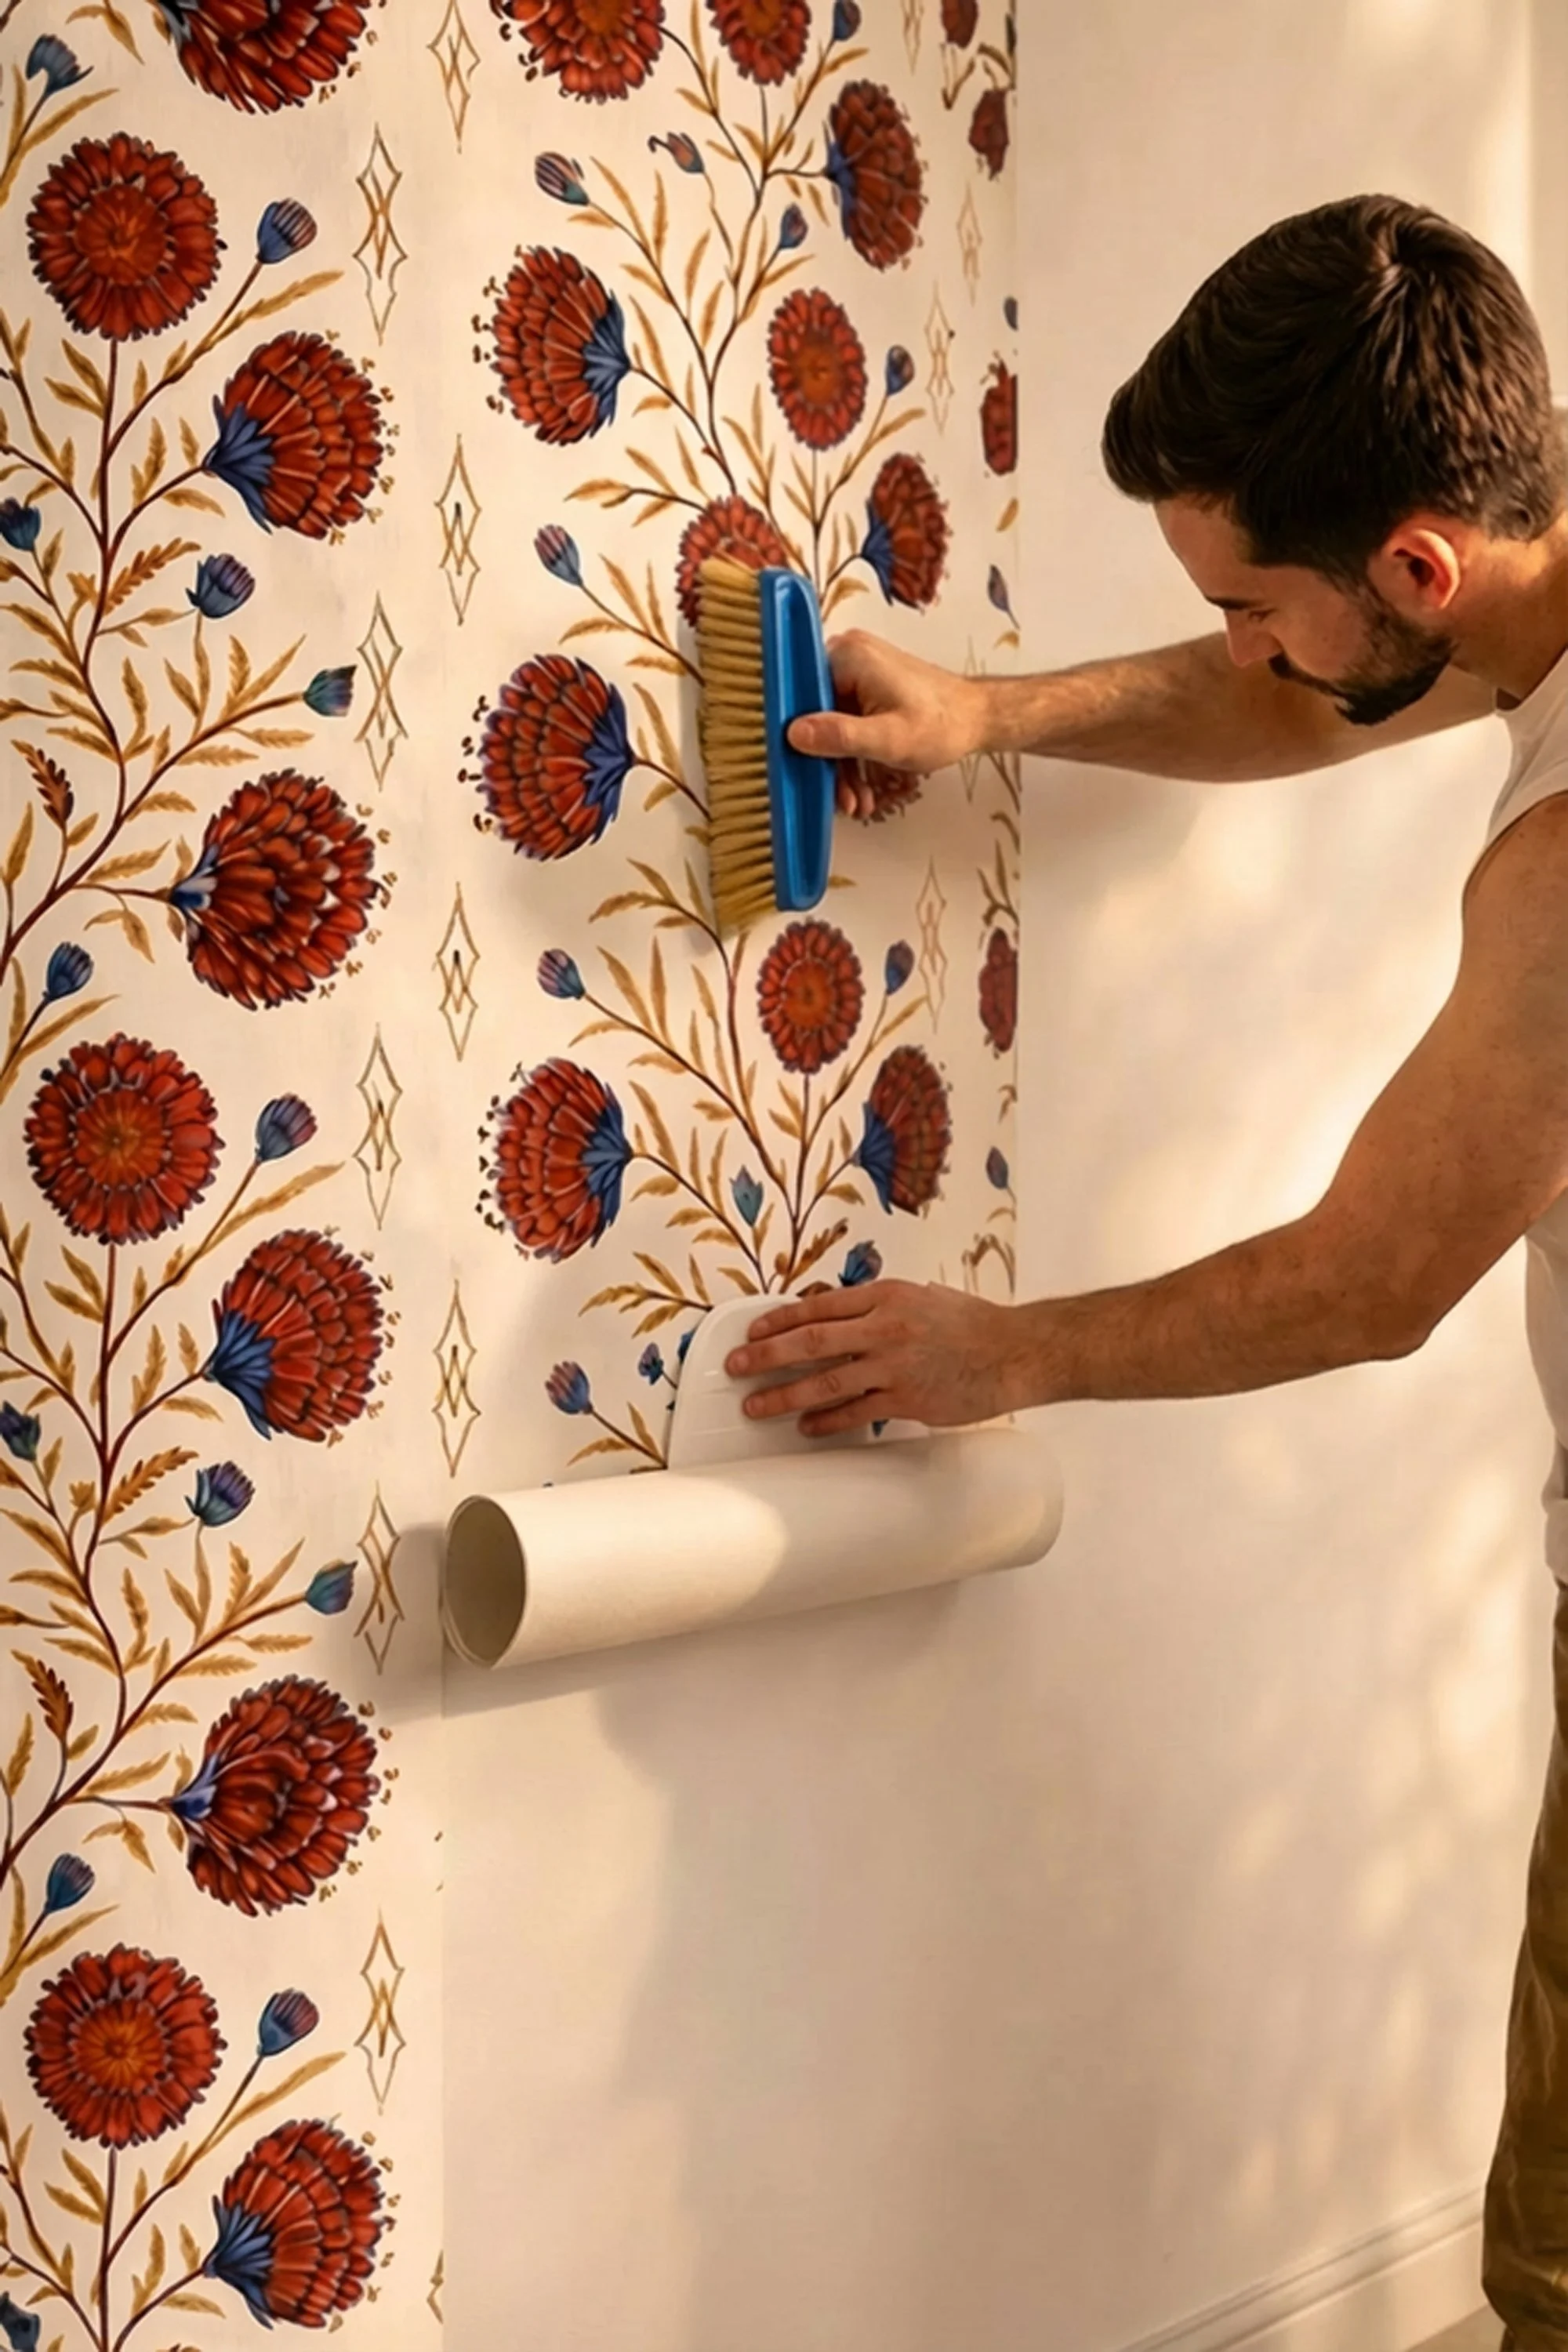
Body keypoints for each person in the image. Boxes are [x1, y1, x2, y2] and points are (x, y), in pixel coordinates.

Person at [724, 194, 1568, 2350]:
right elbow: (1314, 693)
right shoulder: (1497, 576)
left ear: (1412, 564)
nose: (1250, 646)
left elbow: (1375, 1276)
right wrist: (992, 716)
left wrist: (1004, 1350)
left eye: (1253, 598)